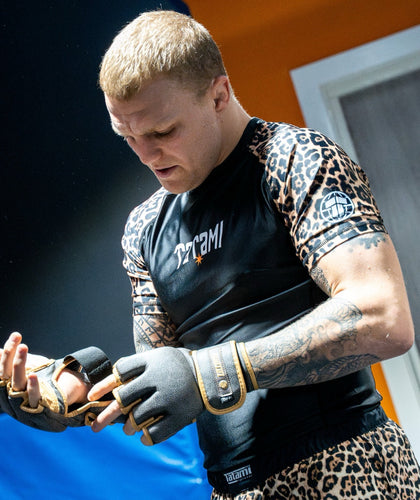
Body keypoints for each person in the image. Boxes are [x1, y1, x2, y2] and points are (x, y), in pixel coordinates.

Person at [1, 10, 419, 499]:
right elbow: (163, 380)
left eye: (162, 132)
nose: (146, 155)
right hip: (233, 488)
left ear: (219, 95)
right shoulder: (143, 228)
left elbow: (383, 317)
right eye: (127, 137)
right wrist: (71, 395)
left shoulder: (294, 160)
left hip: (344, 462)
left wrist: (210, 372)